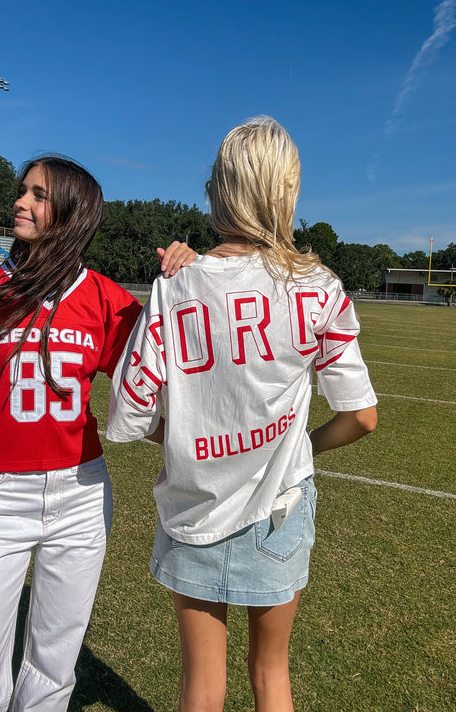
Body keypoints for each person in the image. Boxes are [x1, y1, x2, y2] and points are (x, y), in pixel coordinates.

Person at [106, 117, 378, 712]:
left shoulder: (175, 284)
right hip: (281, 508)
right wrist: (298, 443)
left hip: (194, 505)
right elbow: (361, 416)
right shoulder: (320, 287)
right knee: (271, 675)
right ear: (287, 192)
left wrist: (193, 437)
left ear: (219, 189)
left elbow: (130, 414)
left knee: (201, 686)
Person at [0, 155, 194, 712]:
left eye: (39, 195)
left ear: (71, 214)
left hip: (81, 494)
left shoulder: (107, 299)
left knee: (52, 670)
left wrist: (186, 276)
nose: (21, 202)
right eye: (24, 191)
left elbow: (159, 385)